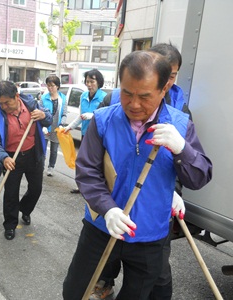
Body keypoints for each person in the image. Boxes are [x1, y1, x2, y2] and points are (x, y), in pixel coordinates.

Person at [62, 50, 212, 300]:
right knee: (75, 291)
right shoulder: (103, 120)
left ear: (164, 89)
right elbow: (87, 172)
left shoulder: (180, 125)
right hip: (101, 227)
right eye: (126, 93)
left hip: (149, 235)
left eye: (144, 96)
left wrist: (182, 150)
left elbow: (199, 177)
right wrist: (107, 208)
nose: (134, 104)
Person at [91, 42, 192, 300]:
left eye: (172, 75)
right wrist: (107, 207)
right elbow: (91, 167)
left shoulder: (180, 111)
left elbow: (184, 167)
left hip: (152, 218)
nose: (135, 103)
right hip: (111, 210)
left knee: (155, 279)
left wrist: (173, 190)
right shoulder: (109, 109)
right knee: (98, 267)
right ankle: (105, 281)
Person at [0, 80, 52, 240]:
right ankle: (10, 225)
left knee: (36, 189)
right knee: (10, 194)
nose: (3, 107)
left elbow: (48, 119)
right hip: (11, 157)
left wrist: (43, 115)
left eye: (7, 103)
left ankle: (25, 209)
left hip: (33, 154)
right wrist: (3, 157)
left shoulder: (31, 105)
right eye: (0, 103)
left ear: (16, 96)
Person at [64, 69, 106, 194]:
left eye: (92, 82)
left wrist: (93, 115)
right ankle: (80, 186)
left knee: (96, 163)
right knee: (82, 161)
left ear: (98, 82)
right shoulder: (83, 96)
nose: (89, 84)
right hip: (84, 134)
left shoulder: (104, 97)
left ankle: (96, 188)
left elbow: (106, 116)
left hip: (98, 136)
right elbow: (81, 116)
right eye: (87, 81)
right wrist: (69, 127)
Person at [39, 75, 68, 176]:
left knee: (54, 150)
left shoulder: (63, 98)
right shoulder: (43, 98)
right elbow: (40, 112)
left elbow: (64, 114)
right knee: (42, 148)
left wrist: (61, 124)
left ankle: (51, 167)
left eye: (52, 86)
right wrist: (42, 125)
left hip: (57, 127)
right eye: (48, 86)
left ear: (58, 86)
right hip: (46, 127)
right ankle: (40, 166)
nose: (50, 88)